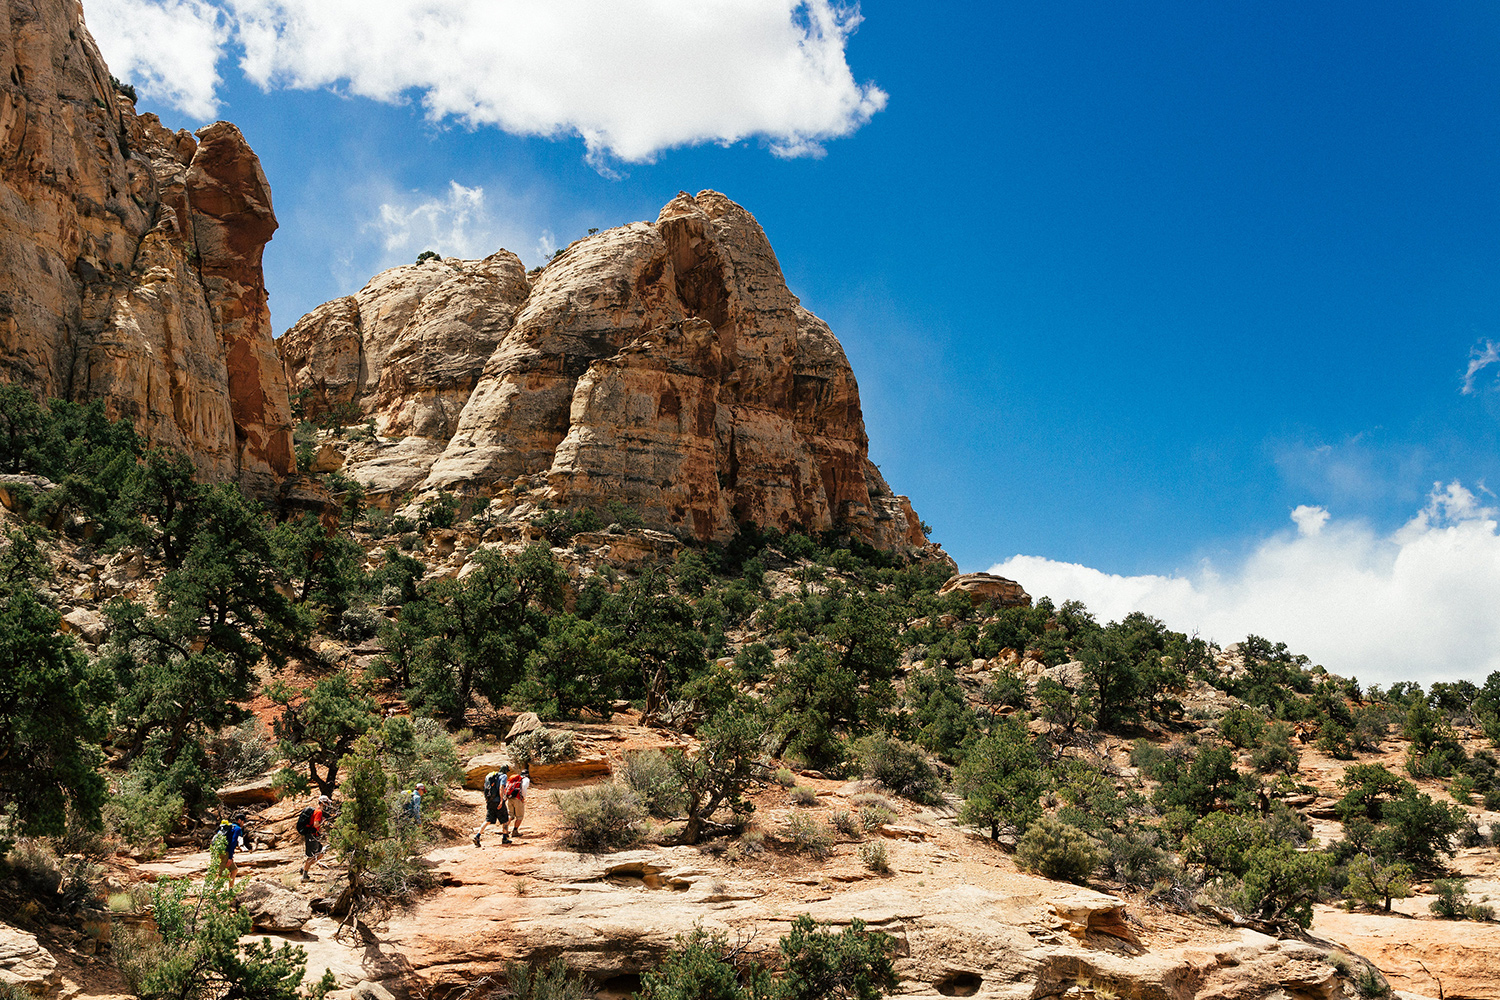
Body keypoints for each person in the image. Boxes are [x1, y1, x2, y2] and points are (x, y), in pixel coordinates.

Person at [472, 766, 511, 847]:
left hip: (490, 801)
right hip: (497, 801)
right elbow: (501, 788)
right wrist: (501, 800)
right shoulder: (503, 776)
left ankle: (477, 836)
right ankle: (504, 838)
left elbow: (485, 787)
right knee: (505, 820)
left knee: (488, 820)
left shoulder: (491, 775)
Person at [300, 794, 333, 882]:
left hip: (313, 835)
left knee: (320, 853)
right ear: (322, 803)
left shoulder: (317, 811)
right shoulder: (318, 812)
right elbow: (316, 824)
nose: (327, 805)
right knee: (312, 856)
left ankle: (305, 868)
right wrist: (322, 822)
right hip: (311, 835)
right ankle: (304, 876)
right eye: (326, 803)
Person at [212, 816, 251, 889]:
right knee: (222, 875)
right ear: (239, 820)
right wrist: (230, 857)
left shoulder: (229, 826)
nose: (244, 823)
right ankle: (213, 893)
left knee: (234, 870)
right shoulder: (237, 829)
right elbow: (233, 842)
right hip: (225, 852)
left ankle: (230, 890)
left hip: (221, 850)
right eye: (243, 821)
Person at [506, 768, 530, 839]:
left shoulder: (515, 779)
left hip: (510, 798)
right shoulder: (525, 779)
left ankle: (505, 830)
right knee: (519, 816)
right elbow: (524, 788)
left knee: (510, 815)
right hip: (518, 798)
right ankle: (515, 831)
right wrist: (523, 797)